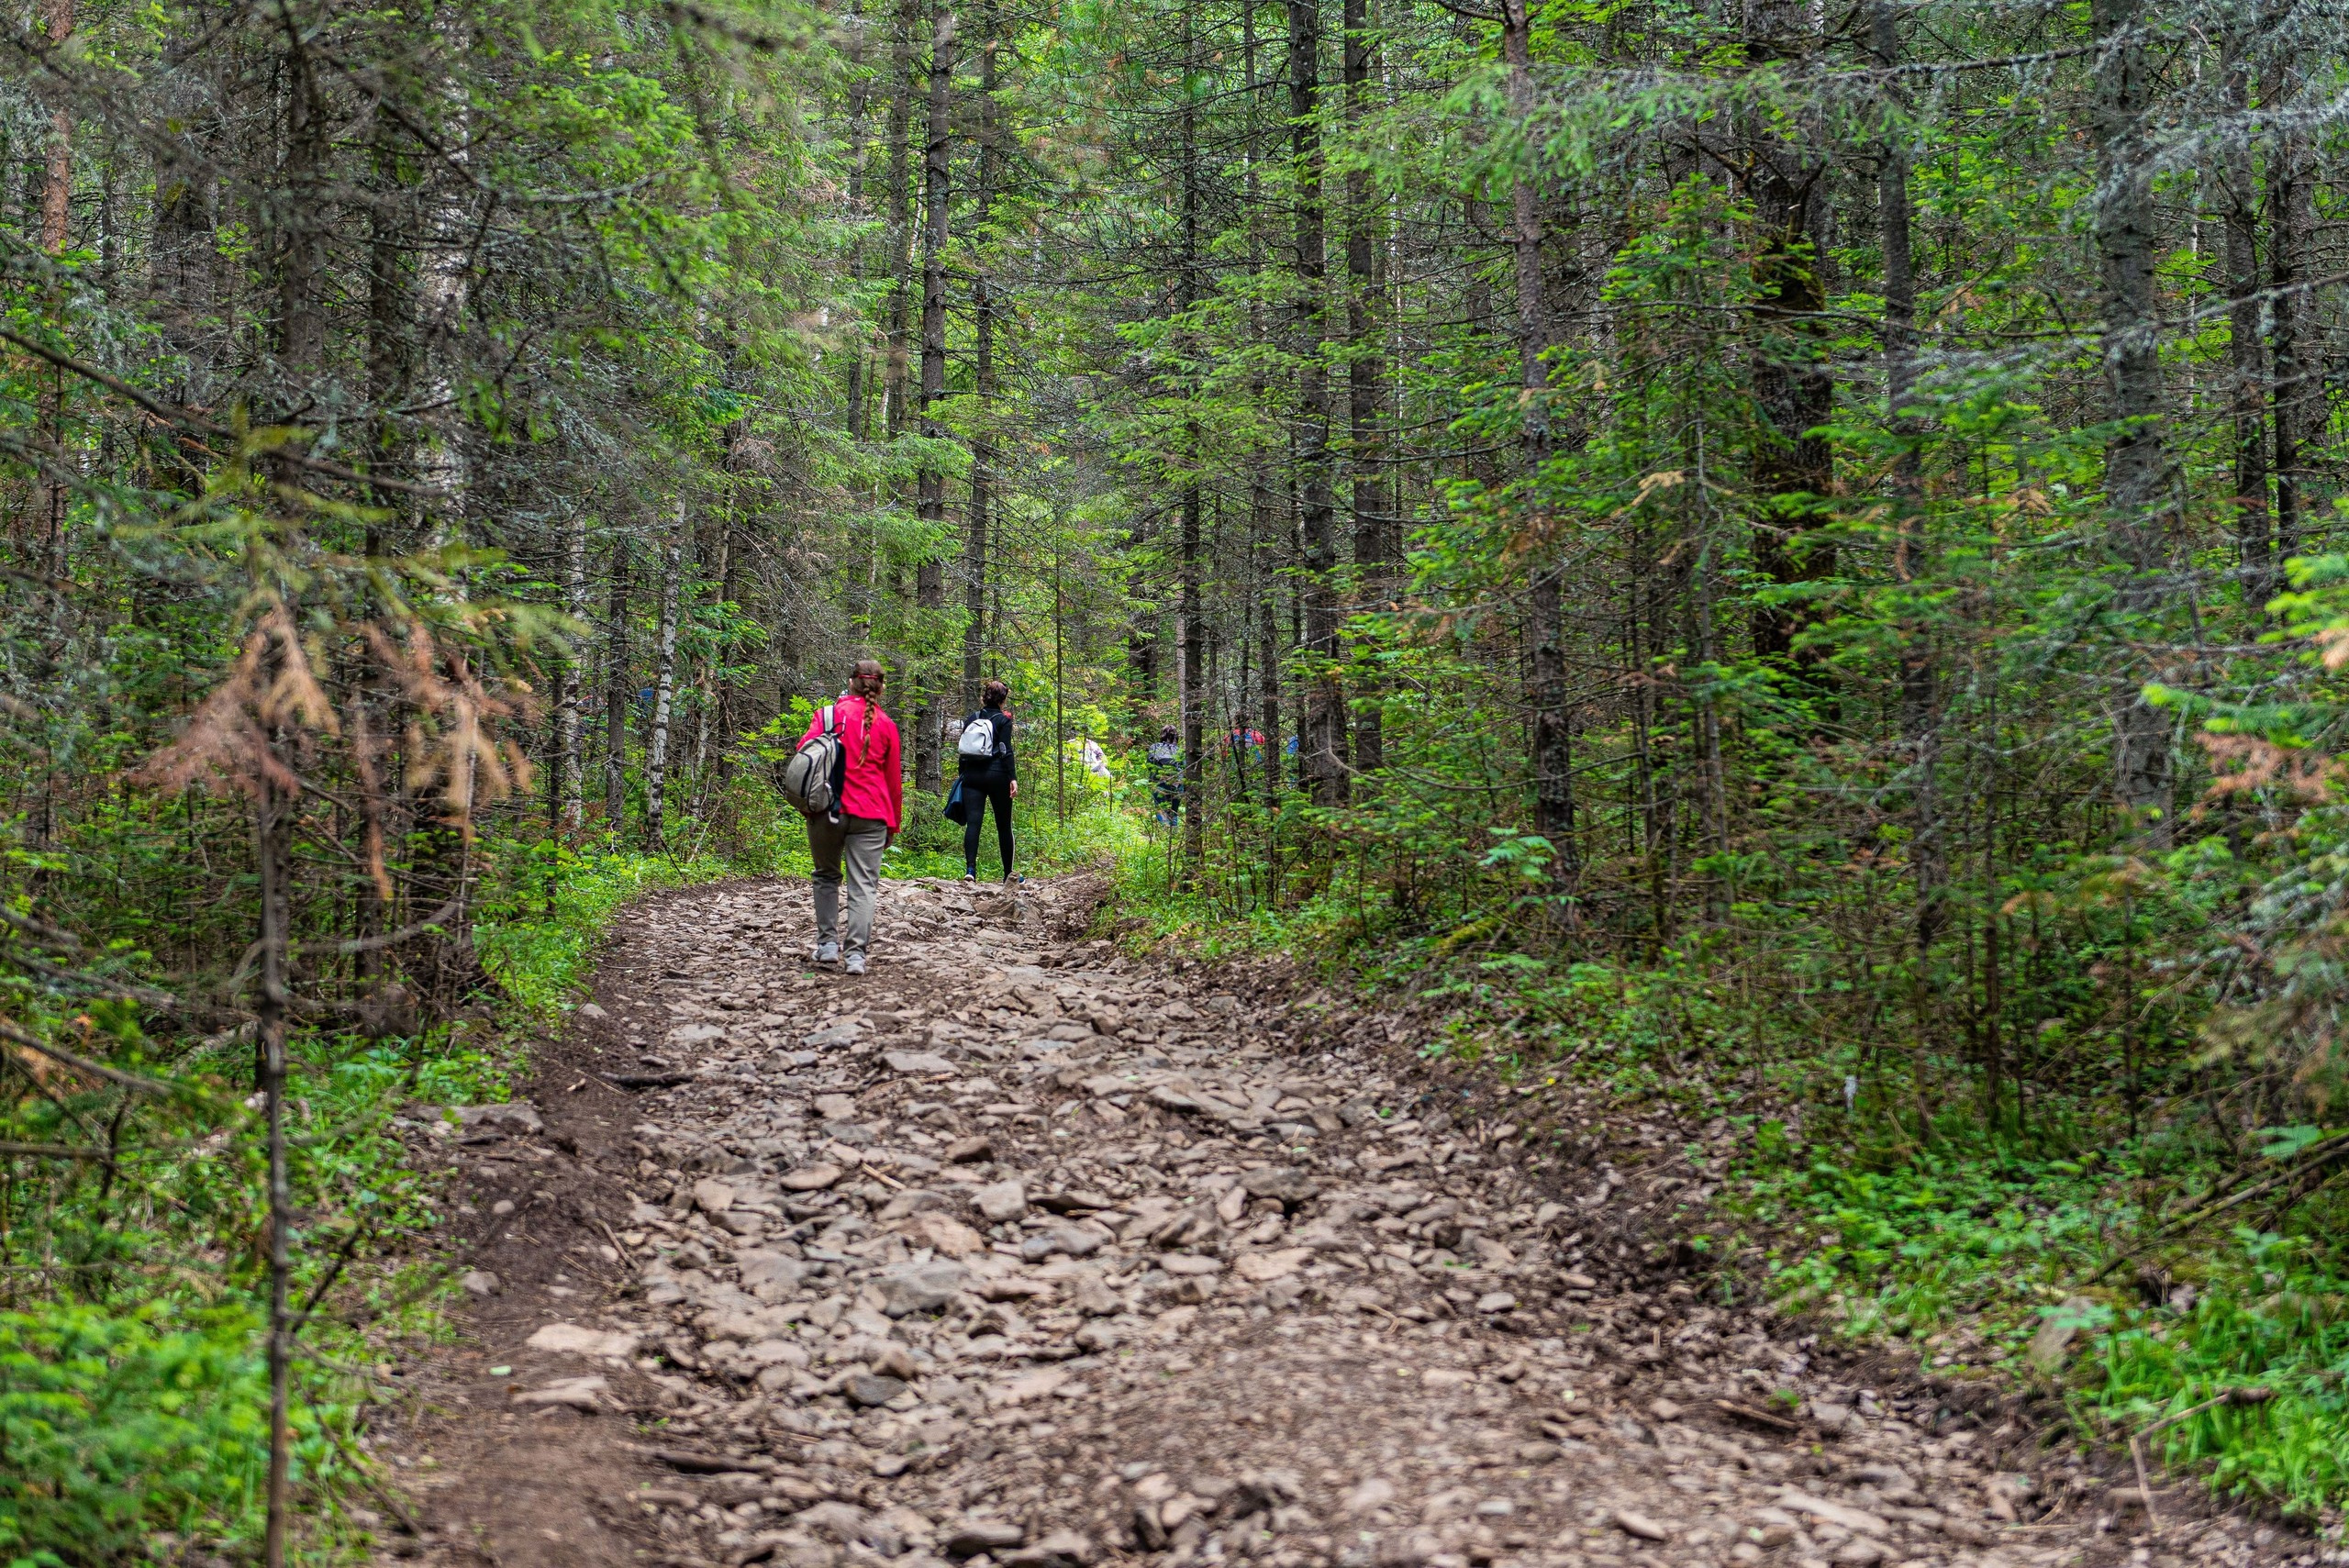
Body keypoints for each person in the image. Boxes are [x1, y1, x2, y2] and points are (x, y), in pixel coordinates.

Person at [801, 660, 901, 975]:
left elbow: (804, 756)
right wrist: (893, 824)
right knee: (864, 886)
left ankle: (828, 947)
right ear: (881, 688)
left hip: (825, 808)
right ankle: (856, 956)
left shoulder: (828, 716)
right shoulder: (886, 725)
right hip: (872, 814)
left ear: (850, 681)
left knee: (826, 876)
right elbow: (893, 781)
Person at [957, 678, 1019, 884]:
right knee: (1003, 825)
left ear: (984, 697)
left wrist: (962, 775)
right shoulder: (1003, 720)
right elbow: (1005, 750)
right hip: (997, 774)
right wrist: (1012, 778)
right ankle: (1008, 875)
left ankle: (970, 870)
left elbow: (963, 749)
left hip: (972, 776)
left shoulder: (972, 718)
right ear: (1003, 699)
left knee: (973, 823)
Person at [1146, 725, 1182, 828]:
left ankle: (1165, 831)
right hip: (1177, 783)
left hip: (1159, 781)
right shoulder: (1179, 750)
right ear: (1175, 736)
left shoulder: (1154, 747)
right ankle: (1174, 833)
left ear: (1162, 734)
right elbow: (1183, 767)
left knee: (1161, 808)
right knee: (1174, 811)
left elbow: (1150, 764)